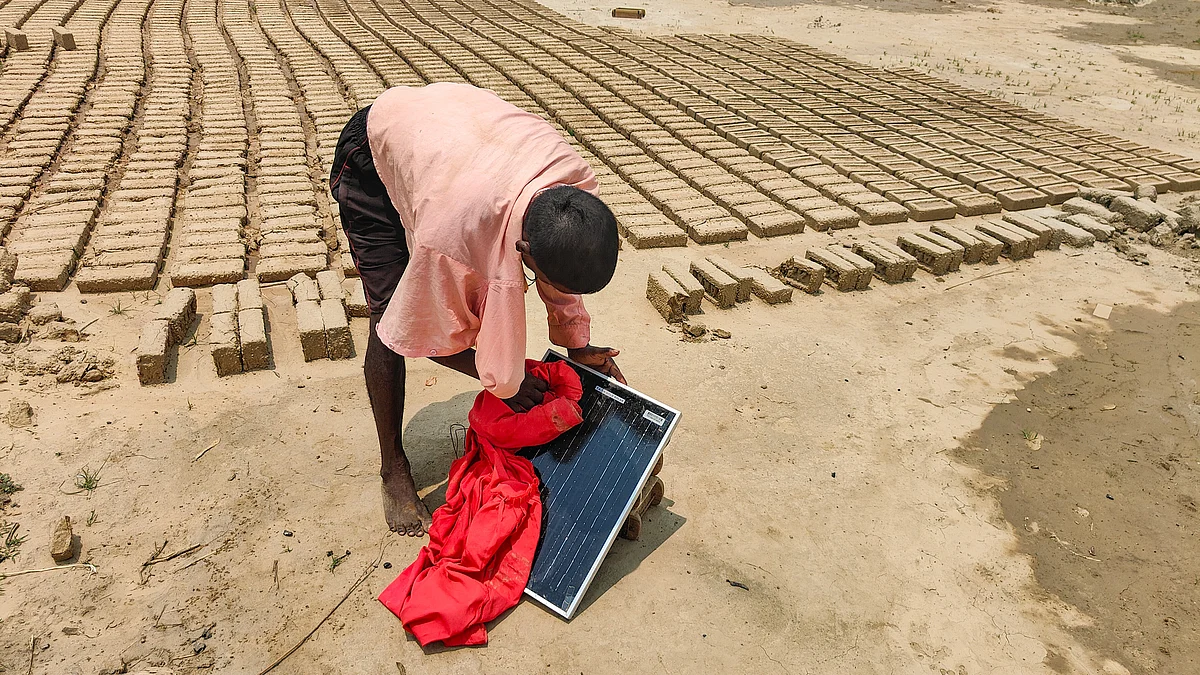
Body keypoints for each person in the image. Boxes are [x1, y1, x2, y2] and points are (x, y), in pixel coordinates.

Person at [329, 83, 625, 537]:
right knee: (388, 314)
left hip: (450, 142)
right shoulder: (450, 240)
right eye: (539, 277)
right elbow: (416, 328)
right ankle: (393, 467)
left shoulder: (570, 186)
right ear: (524, 249)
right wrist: (502, 380)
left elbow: (562, 264)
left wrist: (577, 345)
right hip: (372, 156)